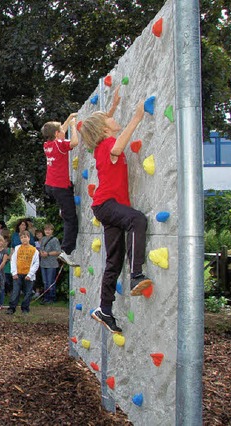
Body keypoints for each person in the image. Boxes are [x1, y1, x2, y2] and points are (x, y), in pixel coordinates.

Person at [80, 93, 153, 334]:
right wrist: (137, 116)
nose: (113, 119)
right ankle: (136, 275)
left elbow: (103, 123)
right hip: (107, 204)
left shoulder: (102, 143)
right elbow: (118, 144)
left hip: (107, 207)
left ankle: (104, 309)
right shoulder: (106, 145)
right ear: (103, 129)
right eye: (108, 119)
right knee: (137, 219)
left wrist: (112, 106)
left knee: (114, 259)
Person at [42, 112, 80, 265]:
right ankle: (66, 251)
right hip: (60, 187)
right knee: (71, 219)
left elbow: (58, 131)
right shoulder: (61, 145)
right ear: (57, 134)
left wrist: (68, 119)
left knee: (66, 206)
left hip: (50, 186)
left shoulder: (48, 144)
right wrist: (73, 126)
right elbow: (75, 142)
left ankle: (62, 209)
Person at [7, 231, 40, 315]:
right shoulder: (17, 248)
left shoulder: (34, 250)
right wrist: (14, 273)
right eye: (21, 238)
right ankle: (12, 308)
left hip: (28, 275)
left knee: (28, 292)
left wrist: (30, 274)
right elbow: (13, 260)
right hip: (18, 274)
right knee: (15, 291)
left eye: (25, 237)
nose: (23, 239)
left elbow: (36, 263)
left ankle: (25, 308)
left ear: (29, 238)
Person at [39, 224, 61, 304]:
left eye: (49, 230)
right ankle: (46, 297)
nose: (47, 231)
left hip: (52, 264)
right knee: (45, 281)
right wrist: (41, 253)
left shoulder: (55, 240)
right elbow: (41, 248)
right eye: (46, 230)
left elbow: (58, 251)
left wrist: (48, 254)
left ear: (52, 231)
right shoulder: (43, 239)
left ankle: (52, 297)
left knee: (50, 281)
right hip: (43, 263)